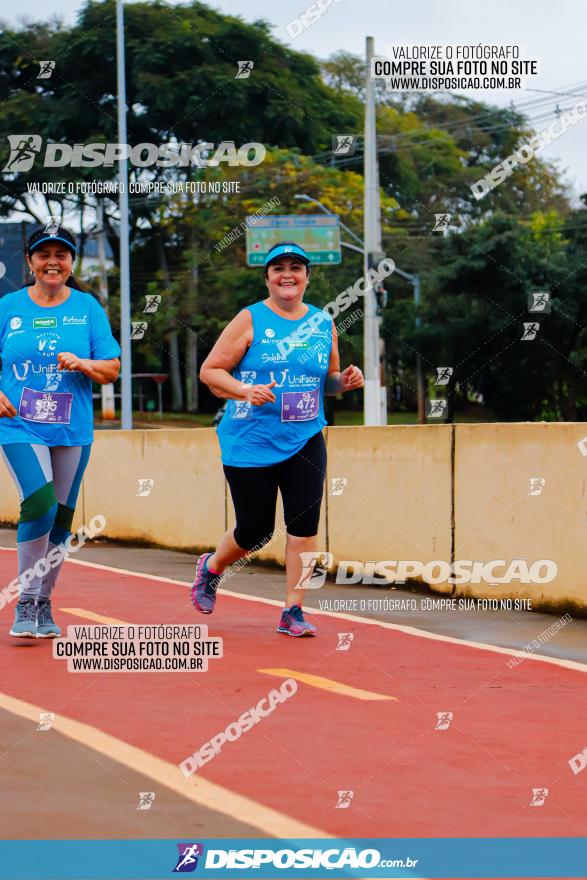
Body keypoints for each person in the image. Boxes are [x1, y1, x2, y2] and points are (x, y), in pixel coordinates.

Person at [193, 241, 364, 636]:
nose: (288, 274)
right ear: (267, 277)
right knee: (255, 531)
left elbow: (328, 382)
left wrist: (345, 382)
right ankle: (212, 567)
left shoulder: (323, 323)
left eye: (296, 267)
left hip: (305, 437)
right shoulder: (250, 319)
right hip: (251, 440)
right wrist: (245, 391)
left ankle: (293, 611)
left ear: (307, 276)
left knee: (304, 528)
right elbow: (210, 371)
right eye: (278, 268)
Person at [0, 224, 121, 638]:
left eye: (62, 255)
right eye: (43, 254)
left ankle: (43, 602)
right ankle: (25, 598)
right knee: (40, 503)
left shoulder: (88, 309)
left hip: (72, 428)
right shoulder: (8, 308)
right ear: (30, 262)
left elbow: (111, 367)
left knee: (62, 519)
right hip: (18, 424)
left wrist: (84, 364)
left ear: (70, 263)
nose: (53, 262)